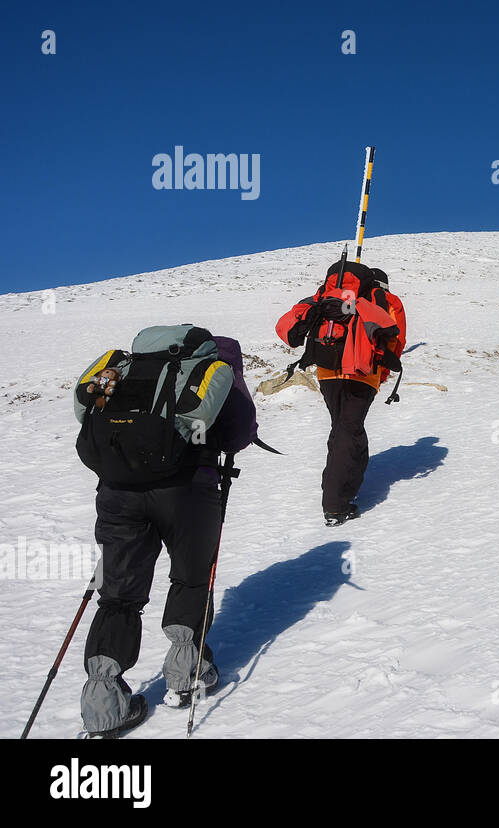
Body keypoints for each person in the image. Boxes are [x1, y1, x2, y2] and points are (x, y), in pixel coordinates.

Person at [72, 326, 257, 738]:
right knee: (191, 579)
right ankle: (186, 674)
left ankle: (103, 704)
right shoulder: (211, 368)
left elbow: (88, 410)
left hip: (118, 490)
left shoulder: (126, 366)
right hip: (187, 488)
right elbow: (240, 434)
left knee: (118, 593)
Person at [276, 260, 405, 526]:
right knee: (349, 427)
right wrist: (381, 374)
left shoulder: (327, 296)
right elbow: (396, 338)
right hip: (362, 371)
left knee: (345, 426)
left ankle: (343, 486)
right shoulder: (385, 299)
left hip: (327, 369)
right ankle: (335, 505)